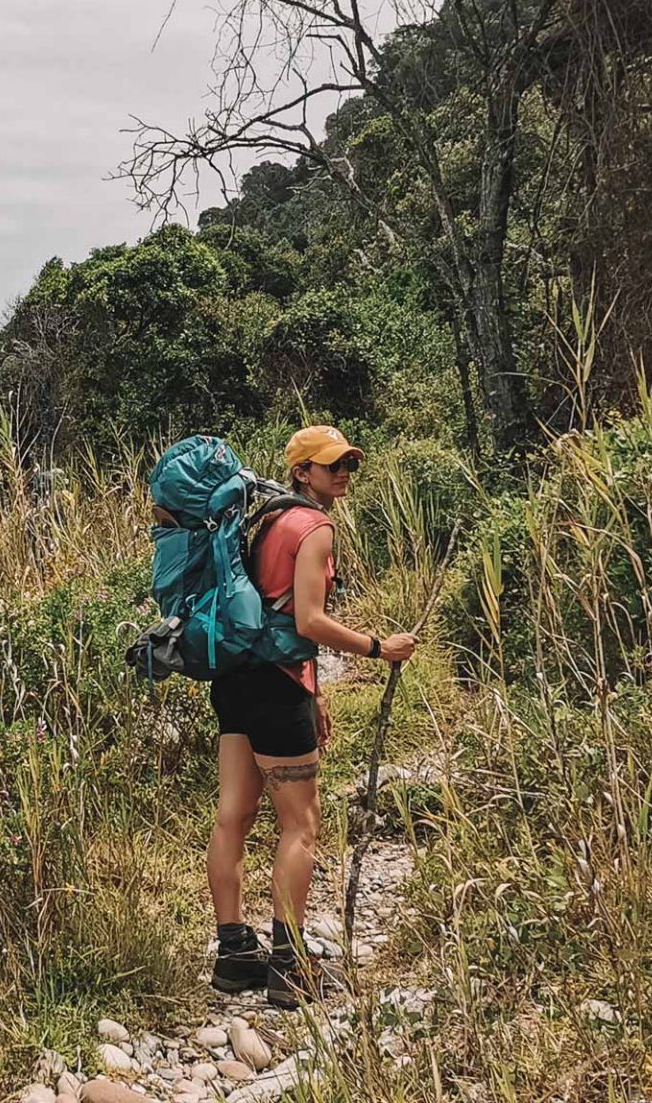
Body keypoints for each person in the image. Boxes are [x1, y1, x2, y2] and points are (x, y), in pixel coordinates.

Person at [207, 425, 417, 1008]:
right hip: (276, 690)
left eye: (349, 462)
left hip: (235, 679)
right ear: (303, 472)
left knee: (233, 814)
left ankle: (233, 957)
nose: (343, 473)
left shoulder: (263, 519)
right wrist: (379, 647)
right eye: (331, 466)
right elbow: (306, 621)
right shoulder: (315, 527)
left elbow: (268, 616)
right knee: (300, 825)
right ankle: (289, 966)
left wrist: (316, 689)